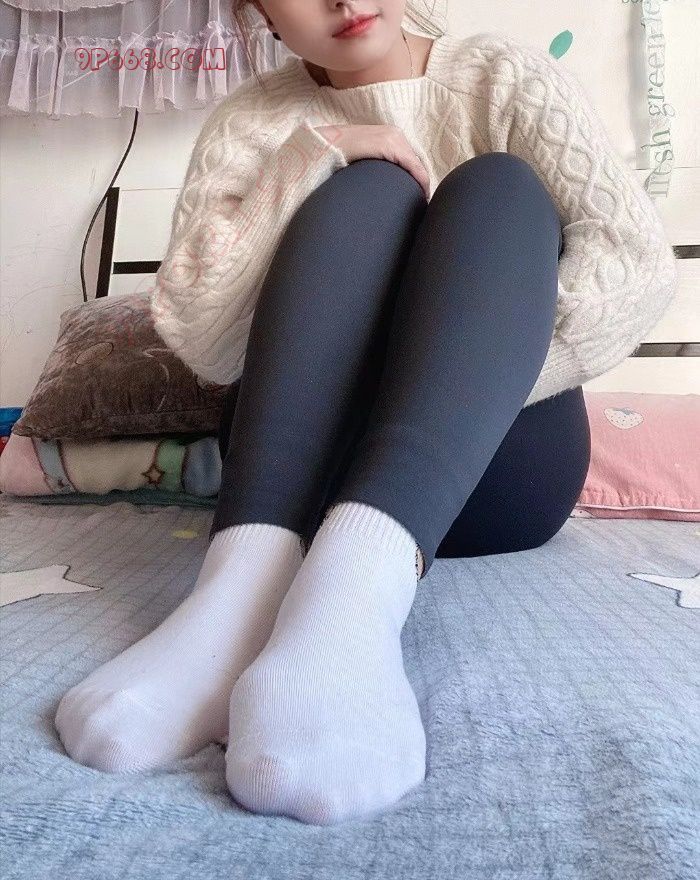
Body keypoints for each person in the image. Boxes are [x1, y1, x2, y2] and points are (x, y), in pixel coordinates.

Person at [54, 0, 678, 826]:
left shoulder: (506, 78)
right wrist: (307, 161)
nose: (344, 0)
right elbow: (203, 339)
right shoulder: (253, 121)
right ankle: (236, 595)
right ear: (256, 10)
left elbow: (638, 270)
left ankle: (357, 591)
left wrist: (454, 370)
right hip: (296, 477)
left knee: (499, 187)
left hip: (494, 463)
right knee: (366, 186)